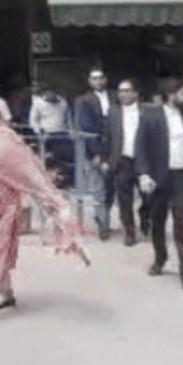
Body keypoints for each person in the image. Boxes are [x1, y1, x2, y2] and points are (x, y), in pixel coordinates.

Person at [0, 98, 89, 326]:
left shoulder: (7, 140)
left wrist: (53, 202)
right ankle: (6, 292)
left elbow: (30, 173)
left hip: (3, 207)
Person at [135, 78, 183, 291]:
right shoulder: (151, 115)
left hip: (182, 175)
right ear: (170, 94)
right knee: (158, 222)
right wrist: (144, 174)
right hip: (158, 177)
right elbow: (140, 147)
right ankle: (160, 258)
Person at [102, 78, 150, 246]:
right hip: (122, 160)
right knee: (124, 199)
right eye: (120, 91)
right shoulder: (113, 111)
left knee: (148, 196)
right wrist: (105, 159)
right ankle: (129, 232)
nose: (123, 94)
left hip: (144, 161)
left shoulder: (146, 111)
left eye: (127, 90)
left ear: (135, 93)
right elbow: (107, 137)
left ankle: (145, 218)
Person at [74, 67, 117, 240]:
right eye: (94, 78)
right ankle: (102, 224)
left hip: (114, 149)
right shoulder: (82, 101)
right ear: (89, 81)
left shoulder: (115, 97)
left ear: (105, 79)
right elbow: (85, 129)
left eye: (100, 78)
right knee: (98, 189)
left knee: (111, 188)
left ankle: (103, 217)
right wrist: (95, 153)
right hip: (94, 150)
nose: (98, 81)